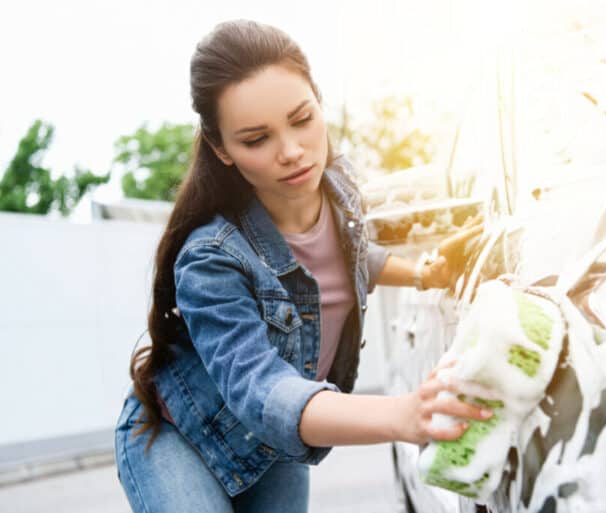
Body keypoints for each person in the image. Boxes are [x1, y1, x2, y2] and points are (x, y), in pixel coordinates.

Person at [114, 19, 491, 513]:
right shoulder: (211, 258)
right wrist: (402, 414)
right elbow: (259, 387)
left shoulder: (340, 191)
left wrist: (424, 274)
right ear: (221, 149)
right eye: (257, 139)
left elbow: (350, 258)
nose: (292, 152)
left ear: (318, 101)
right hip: (179, 434)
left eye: (302, 119)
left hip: (272, 444)